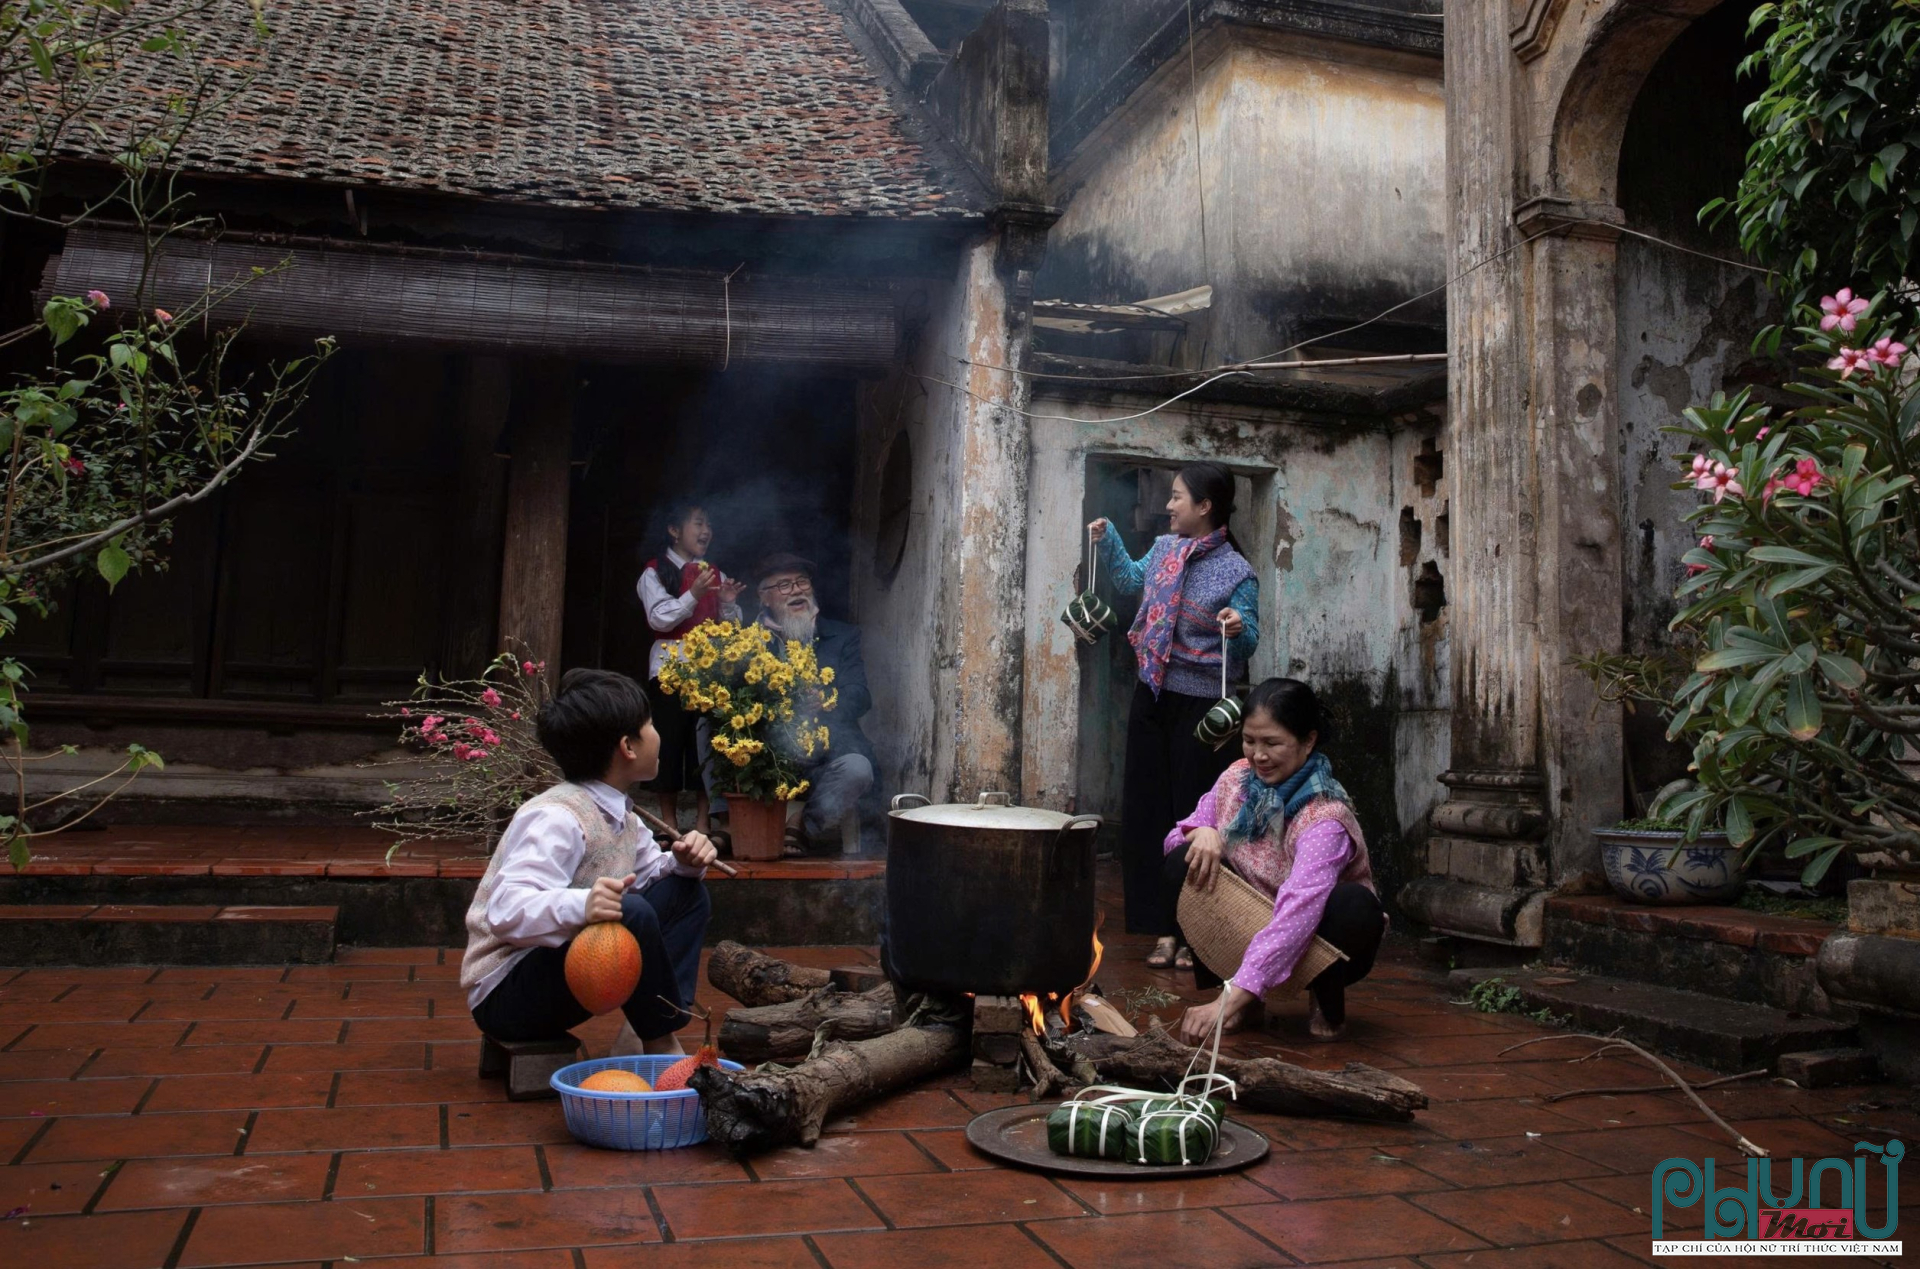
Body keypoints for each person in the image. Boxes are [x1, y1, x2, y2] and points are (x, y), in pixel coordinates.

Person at [461, 668, 719, 1054]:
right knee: (628, 911)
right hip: (509, 992)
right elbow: (505, 909)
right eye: (650, 724)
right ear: (628, 747)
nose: (658, 733)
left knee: (686, 893)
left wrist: (685, 860)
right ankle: (660, 1041)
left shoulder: (623, 816)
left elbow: (654, 877)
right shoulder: (557, 816)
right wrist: (583, 905)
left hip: (561, 970)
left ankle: (647, 1026)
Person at [1089, 461, 1259, 969]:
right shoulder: (1164, 550)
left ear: (1205, 507)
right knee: (1145, 813)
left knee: (1194, 817)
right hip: (1153, 695)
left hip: (1202, 708)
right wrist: (1110, 540)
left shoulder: (1236, 571)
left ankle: (1194, 933)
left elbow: (1250, 637)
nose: (1168, 505)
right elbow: (1127, 579)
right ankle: (1160, 928)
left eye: (1178, 497)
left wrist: (1235, 624)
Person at [1164, 678, 1384, 1044]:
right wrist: (1200, 832)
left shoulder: (1324, 818)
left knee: (1353, 906)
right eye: (1250, 741)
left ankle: (1322, 997)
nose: (1258, 756)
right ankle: (1244, 995)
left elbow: (1298, 911)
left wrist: (1228, 999)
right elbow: (1173, 838)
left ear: (1308, 741)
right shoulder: (1236, 778)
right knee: (1184, 862)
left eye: (1272, 743)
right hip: (1247, 921)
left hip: (1312, 935)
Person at [752, 552, 876, 856]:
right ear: (764, 598)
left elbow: (860, 695)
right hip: (765, 762)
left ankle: (803, 825)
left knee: (859, 769)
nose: (796, 590)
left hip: (825, 759)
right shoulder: (748, 641)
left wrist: (826, 701)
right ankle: (727, 825)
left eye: (801, 582)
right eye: (783, 585)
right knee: (708, 720)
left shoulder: (842, 636)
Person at [638, 503, 744, 837]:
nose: (706, 531)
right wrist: (693, 594)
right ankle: (668, 824)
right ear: (674, 530)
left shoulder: (716, 572)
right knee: (667, 745)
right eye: (698, 523)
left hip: (710, 674)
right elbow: (658, 618)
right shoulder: (655, 572)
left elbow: (734, 627)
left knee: (706, 749)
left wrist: (727, 603)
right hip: (669, 671)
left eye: (709, 524)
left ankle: (702, 822)